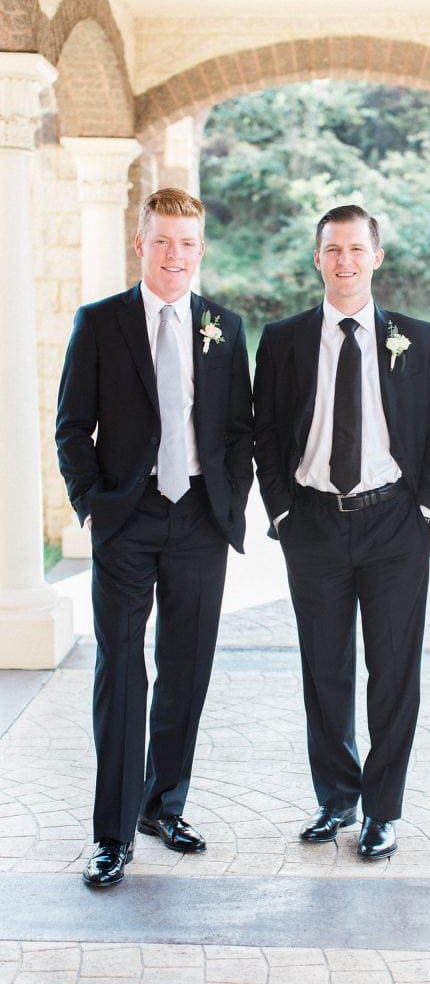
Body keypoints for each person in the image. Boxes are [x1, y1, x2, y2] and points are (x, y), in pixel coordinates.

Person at [56, 188, 253, 887]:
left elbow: (237, 430)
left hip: (199, 517)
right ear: (141, 244)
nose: (176, 255)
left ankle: (162, 807)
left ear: (202, 250)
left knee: (186, 668)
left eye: (188, 243)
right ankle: (111, 831)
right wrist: (91, 507)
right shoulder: (101, 322)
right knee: (122, 670)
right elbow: (72, 426)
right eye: (163, 241)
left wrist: (230, 500)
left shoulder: (223, 328)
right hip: (127, 519)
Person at [253, 204, 430, 859]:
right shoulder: (282, 339)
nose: (345, 262)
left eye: (356, 250)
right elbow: (267, 434)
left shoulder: (417, 339)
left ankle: (381, 810)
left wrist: (426, 512)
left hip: (394, 524)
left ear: (376, 257)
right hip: (312, 523)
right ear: (318, 258)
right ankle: (335, 800)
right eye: (333, 250)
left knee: (393, 671)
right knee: (325, 670)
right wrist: (281, 510)